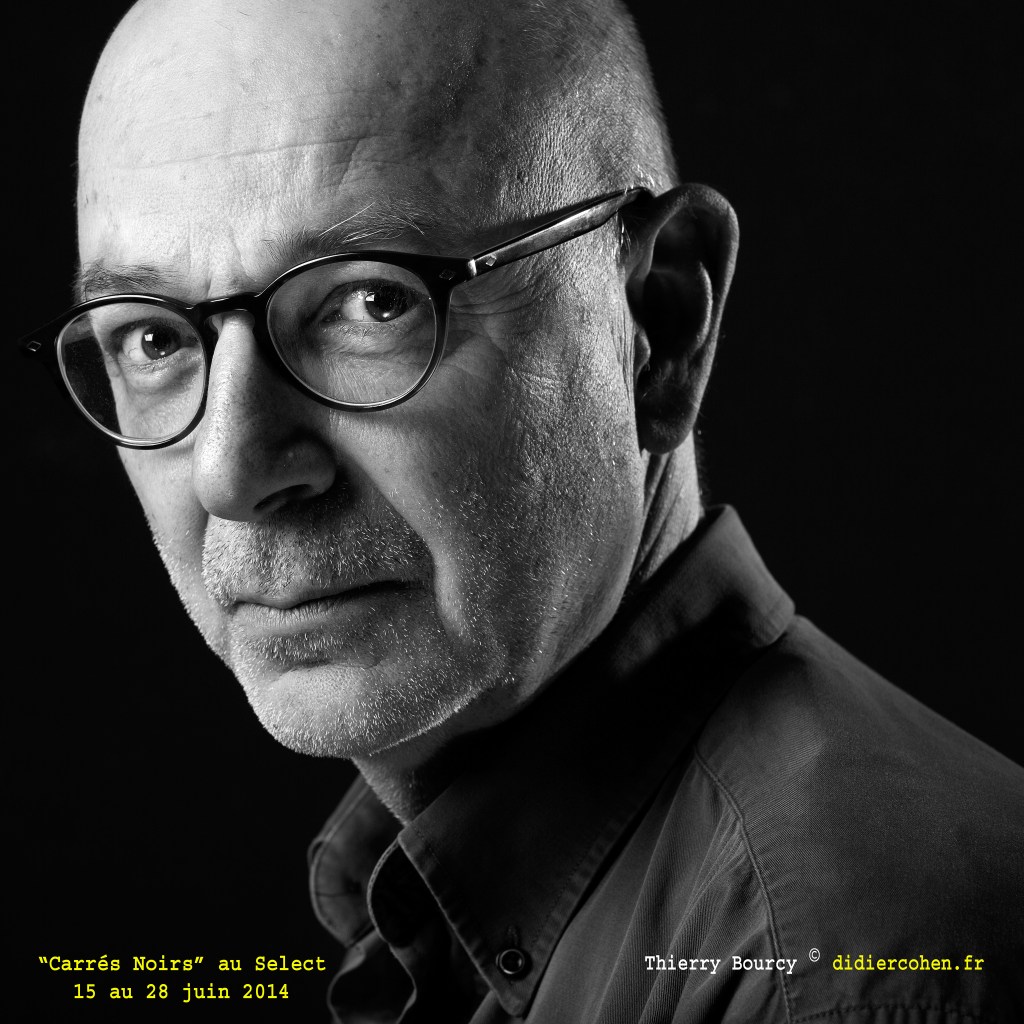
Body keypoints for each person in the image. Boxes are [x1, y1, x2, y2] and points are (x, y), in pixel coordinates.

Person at [15, 0, 1022, 1021]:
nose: (229, 471)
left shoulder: (844, 976)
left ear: (660, 323)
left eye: (373, 301)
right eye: (152, 339)